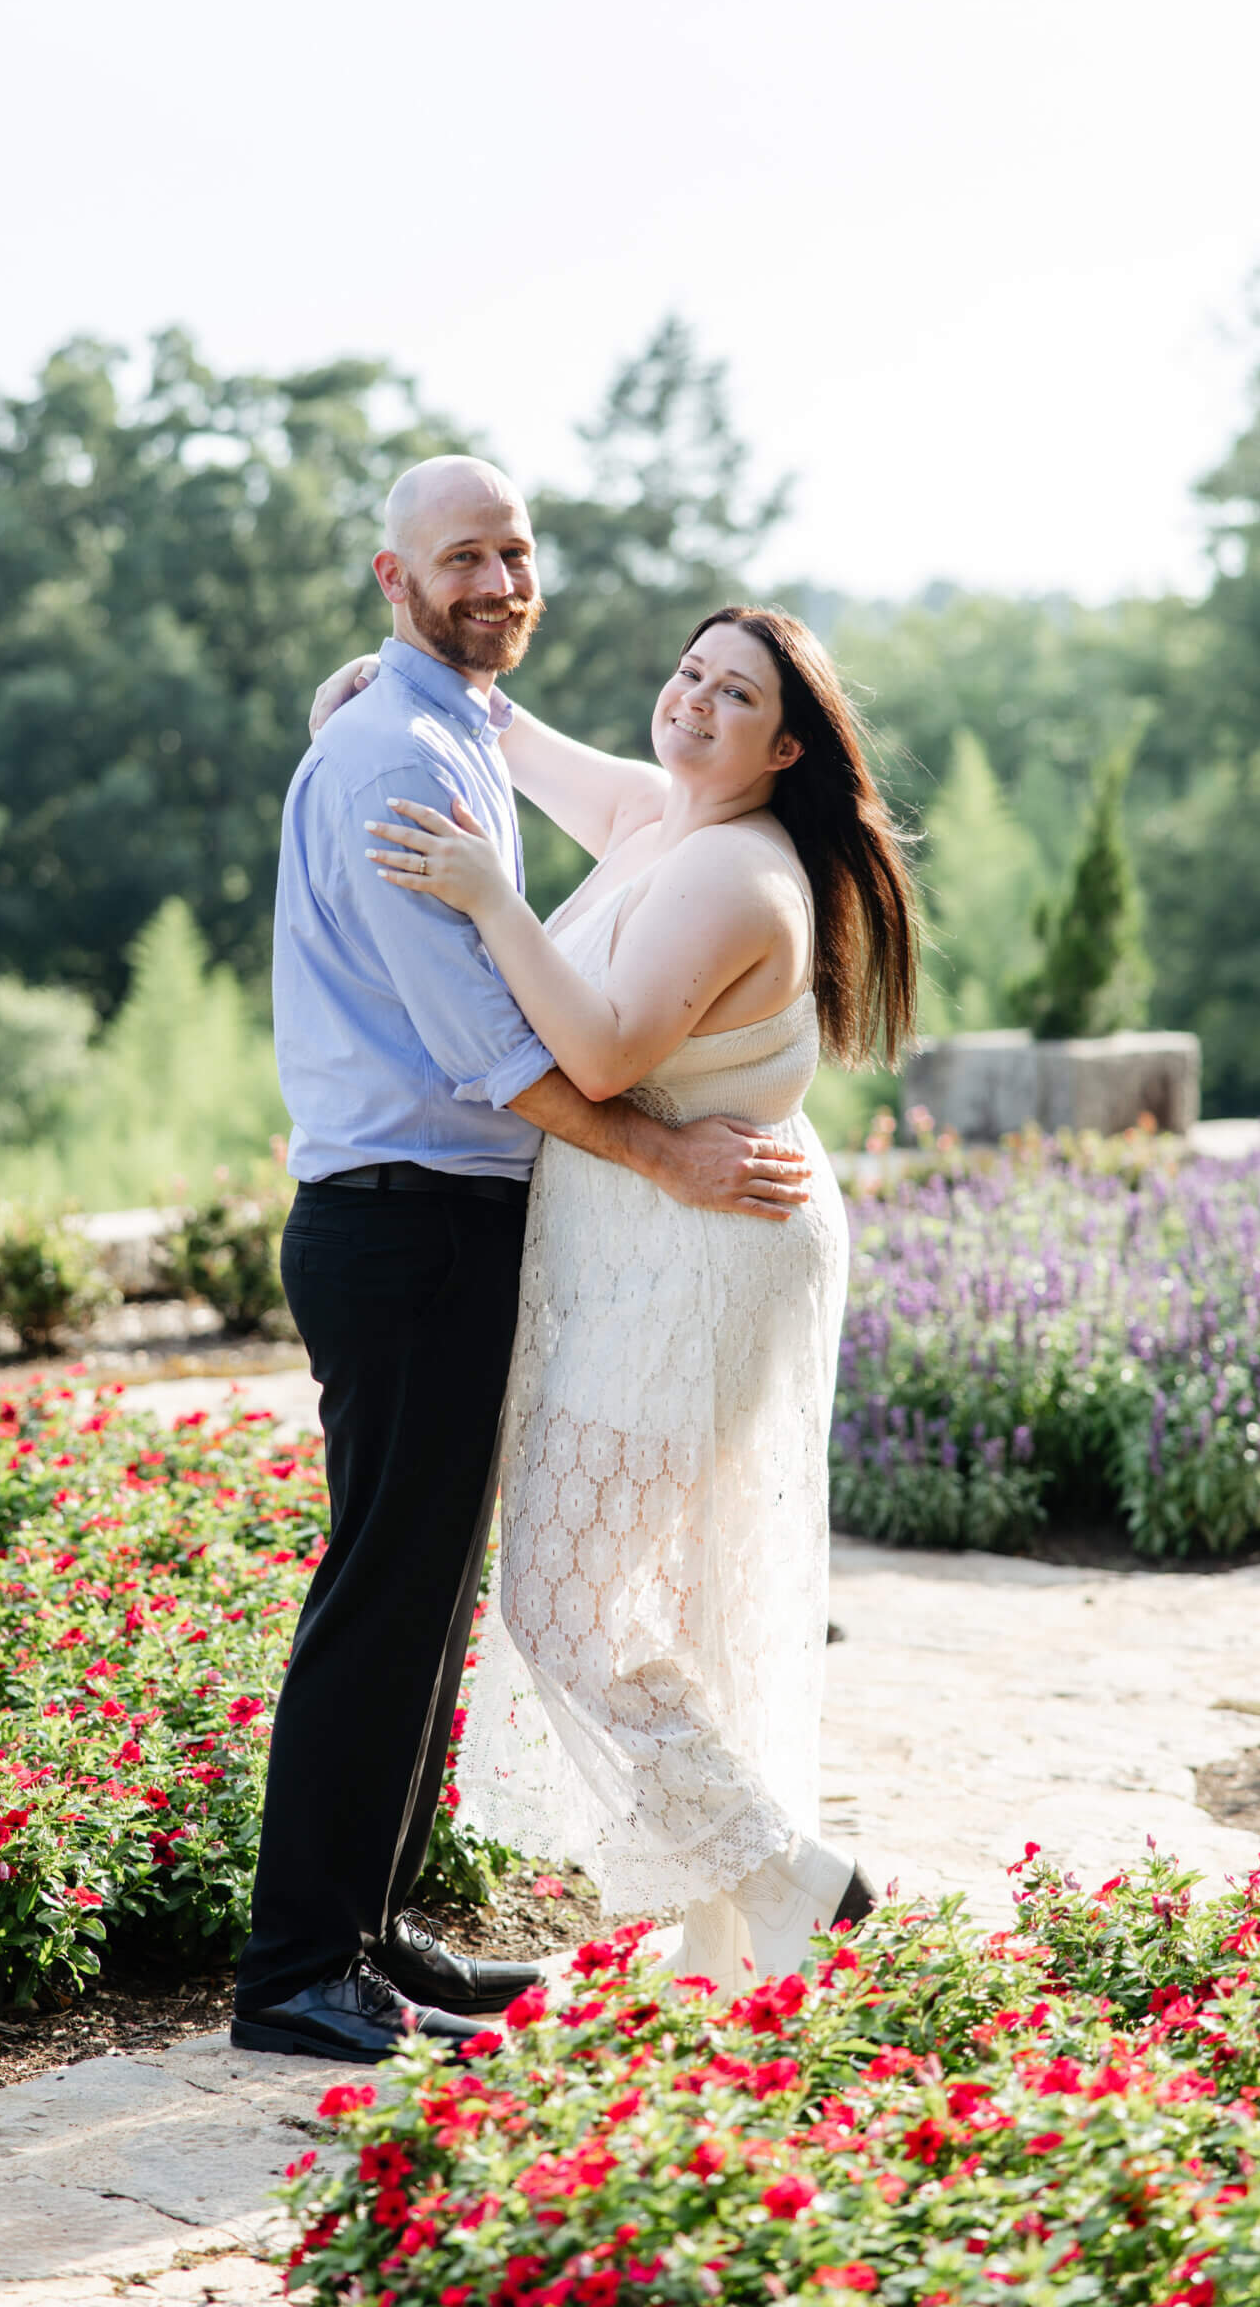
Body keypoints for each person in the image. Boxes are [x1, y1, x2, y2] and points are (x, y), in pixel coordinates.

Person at [230, 457, 813, 2063]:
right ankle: (296, 1973)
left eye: (515, 551)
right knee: (384, 1595)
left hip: (448, 1224)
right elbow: (492, 1049)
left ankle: (369, 1928)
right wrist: (667, 1153)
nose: (497, 580)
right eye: (460, 558)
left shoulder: (457, 730)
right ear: (390, 575)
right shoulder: (398, 763)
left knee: (425, 1598)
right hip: (407, 1220)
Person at [326, 596, 918, 1990]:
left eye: (736, 698)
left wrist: (487, 897)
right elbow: (523, 739)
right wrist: (401, 679)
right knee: (619, 1587)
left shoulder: (733, 876)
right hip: (660, 1249)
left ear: (784, 751)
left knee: (562, 1588)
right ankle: (765, 1897)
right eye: (689, 673)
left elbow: (592, 1057)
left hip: (702, 1266)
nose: (696, 703)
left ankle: (786, 1876)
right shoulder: (668, 815)